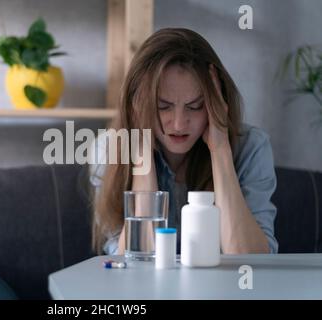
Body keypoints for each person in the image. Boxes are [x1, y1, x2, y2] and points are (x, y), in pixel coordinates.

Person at [90, 28, 278, 256]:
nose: (179, 124)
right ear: (137, 105)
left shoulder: (252, 147)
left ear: (217, 104)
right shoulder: (108, 147)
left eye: (195, 106)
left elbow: (250, 263)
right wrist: (141, 152)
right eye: (163, 106)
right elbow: (131, 263)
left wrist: (220, 151)